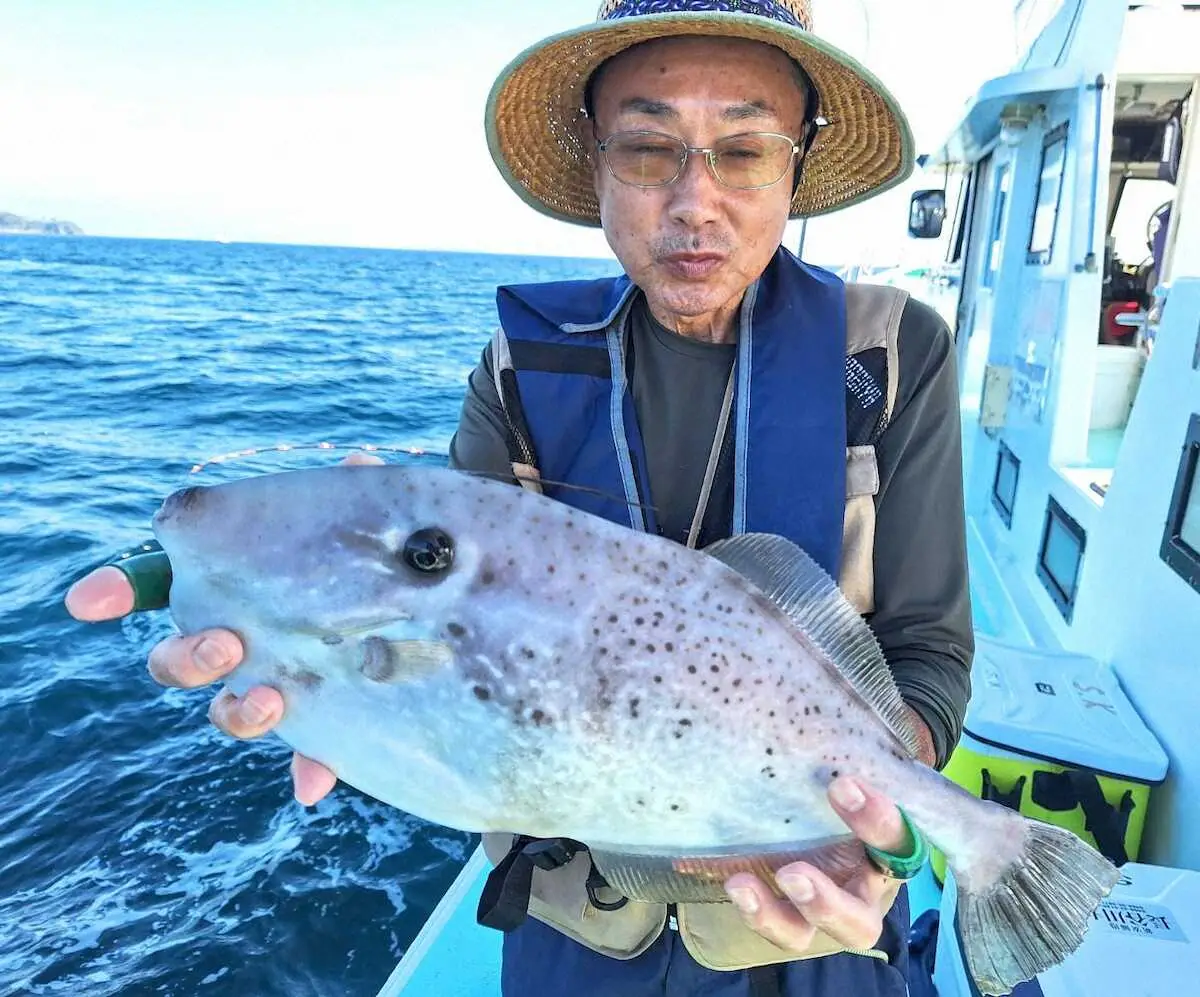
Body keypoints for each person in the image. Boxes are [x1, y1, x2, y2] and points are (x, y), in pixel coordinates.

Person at [67, 2, 973, 995]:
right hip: (575, 923)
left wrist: (874, 819)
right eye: (645, 147)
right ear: (595, 162)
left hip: (813, 934)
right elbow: (459, 629)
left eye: (745, 150)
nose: (693, 201)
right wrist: (279, 595)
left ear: (798, 163)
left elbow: (927, 647)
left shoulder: (891, 352)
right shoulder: (524, 363)